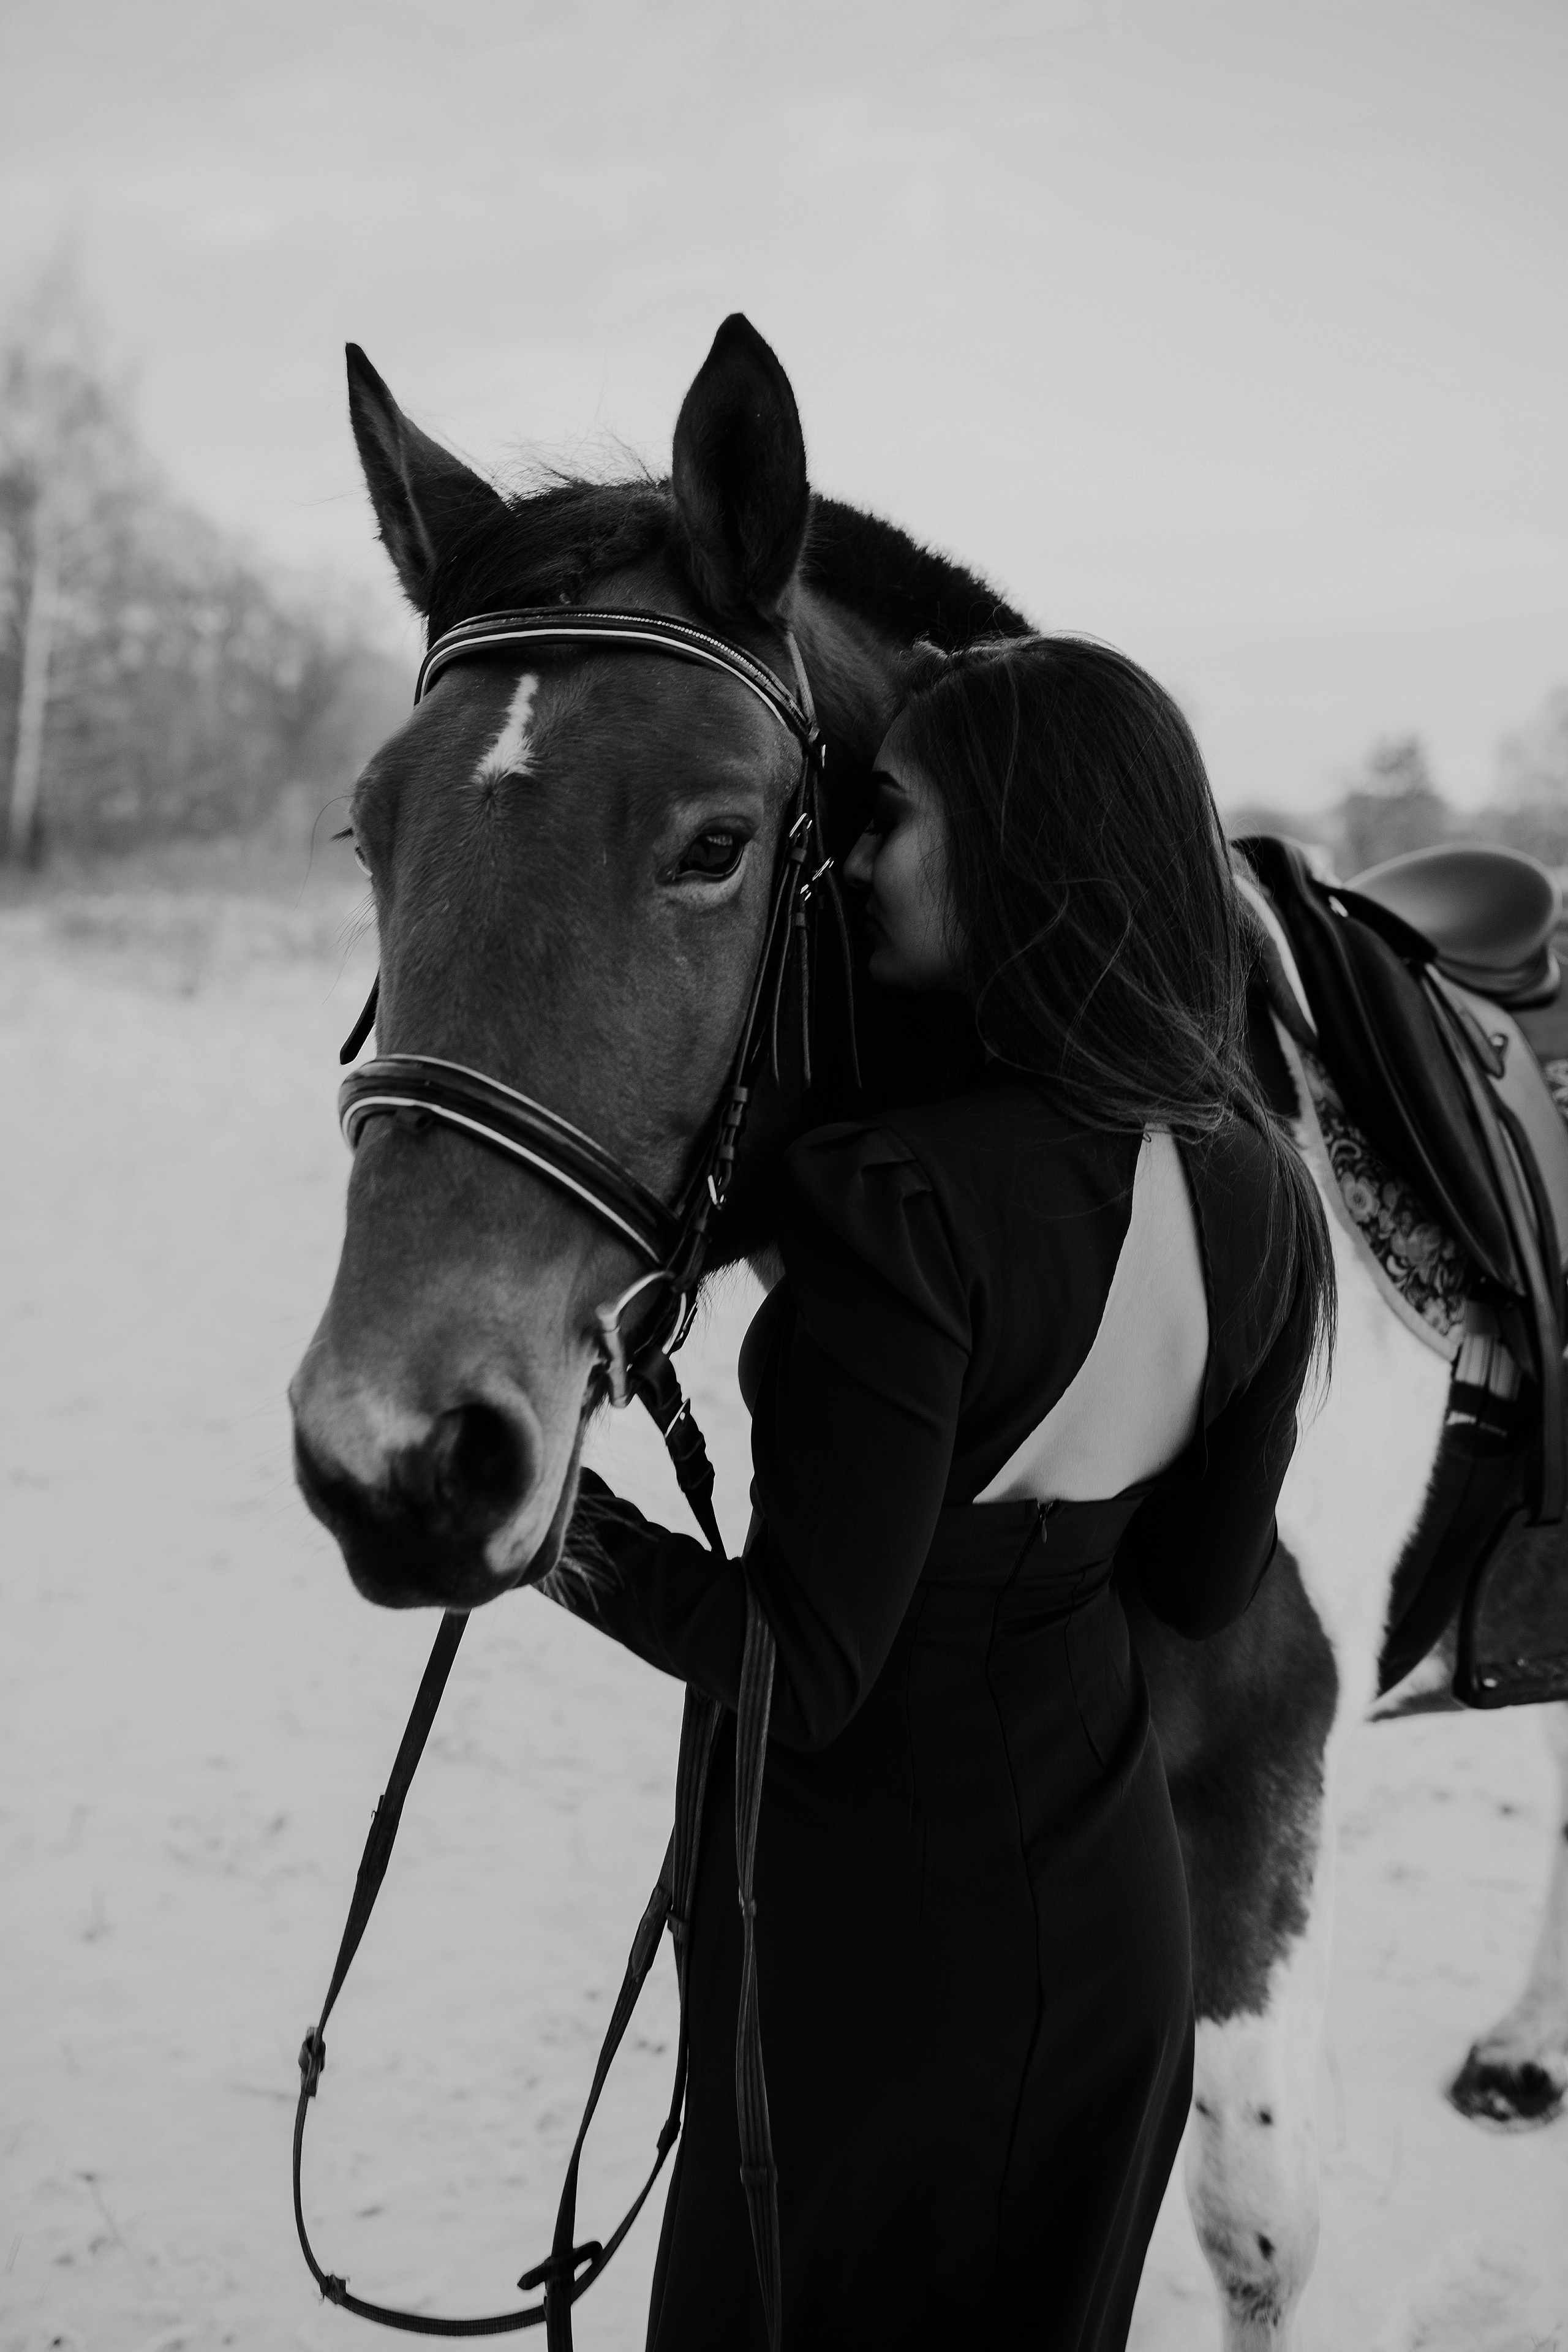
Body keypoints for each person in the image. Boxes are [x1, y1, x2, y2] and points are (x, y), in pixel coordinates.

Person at [557, 635, 1334, 2350]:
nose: (857, 861)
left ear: (1021, 844)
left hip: (876, 1957)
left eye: (892, 817)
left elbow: (799, 1664)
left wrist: (564, 1528)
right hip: (1114, 1938)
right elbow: (1203, 1587)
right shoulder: (1257, 1185)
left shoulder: (893, 1205)